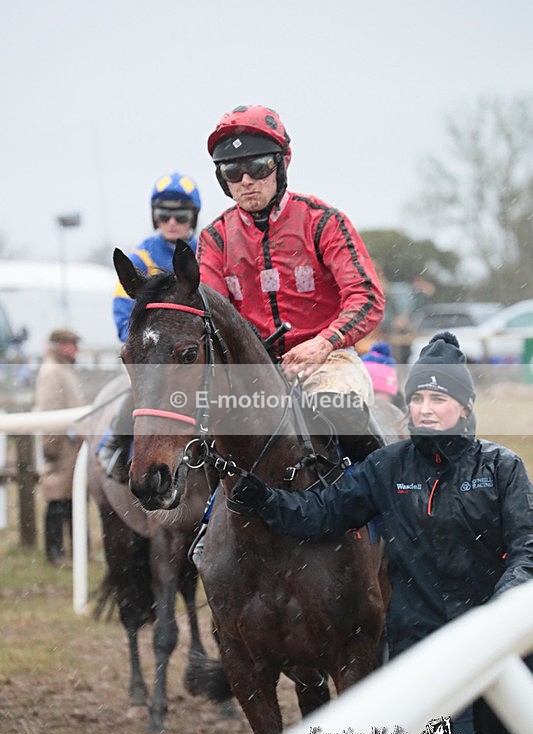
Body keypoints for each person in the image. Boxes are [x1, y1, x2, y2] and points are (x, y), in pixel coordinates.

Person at [229, 332, 533, 734]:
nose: (425, 409)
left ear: (465, 408)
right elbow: (323, 513)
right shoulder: (387, 467)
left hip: (498, 649)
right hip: (425, 654)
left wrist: (500, 613)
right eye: (418, 399)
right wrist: (267, 501)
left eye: (439, 399)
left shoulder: (501, 468)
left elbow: (527, 548)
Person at [197, 104, 385, 455]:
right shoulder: (214, 239)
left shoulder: (323, 221)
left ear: (282, 163)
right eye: (232, 171)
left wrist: (324, 343)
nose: (246, 180)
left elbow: (367, 297)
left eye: (258, 167)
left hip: (328, 360)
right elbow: (211, 317)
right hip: (252, 373)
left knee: (338, 410)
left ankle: (379, 483)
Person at [99, 170, 201, 480]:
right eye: (164, 214)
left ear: (193, 217)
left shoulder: (206, 251)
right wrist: (144, 343)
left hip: (190, 352)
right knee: (140, 393)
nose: (172, 222)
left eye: (180, 216)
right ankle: (114, 446)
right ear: (154, 217)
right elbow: (122, 310)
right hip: (150, 352)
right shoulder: (140, 257)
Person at [34, 328, 84, 565]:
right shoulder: (52, 371)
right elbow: (51, 410)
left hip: (70, 444)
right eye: (72, 344)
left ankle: (74, 549)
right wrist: (51, 446)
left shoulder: (62, 369)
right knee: (57, 499)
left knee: (70, 499)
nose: (76, 349)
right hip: (62, 446)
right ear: (61, 345)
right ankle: (56, 552)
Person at [361, 341, 404, 409]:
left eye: (374, 392)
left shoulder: (399, 412)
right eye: (362, 391)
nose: (369, 397)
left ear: (389, 394)